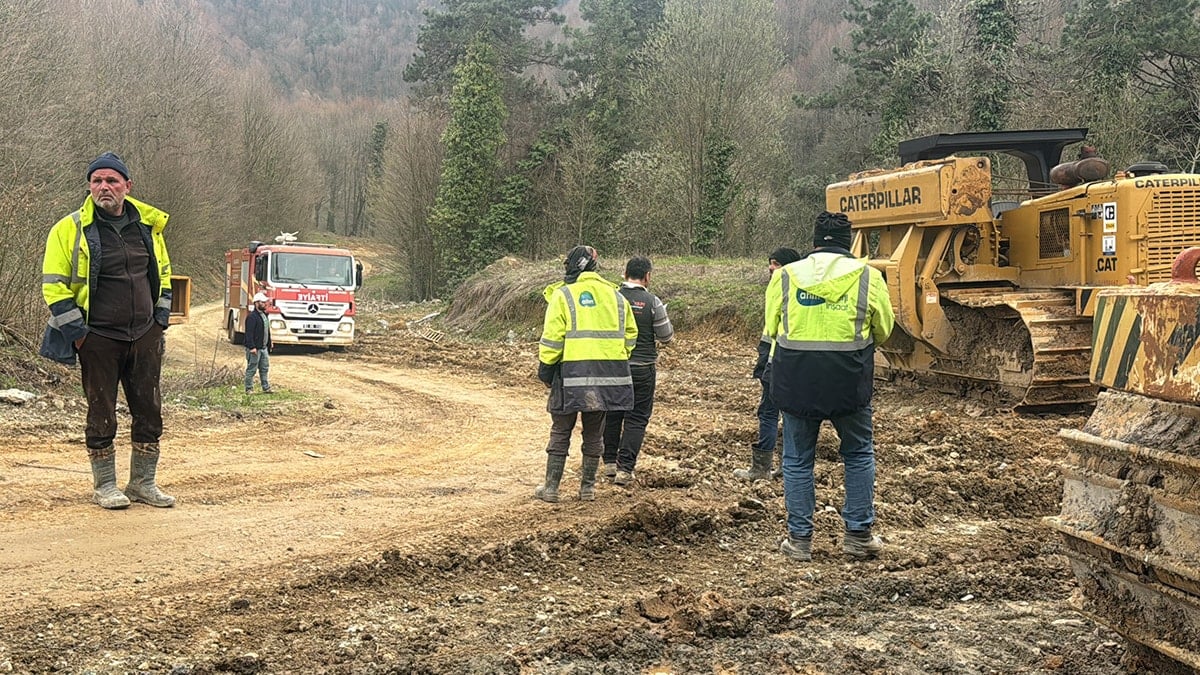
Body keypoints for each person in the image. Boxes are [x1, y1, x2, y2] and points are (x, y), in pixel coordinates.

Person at [40, 152, 176, 510]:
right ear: (89, 186)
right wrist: (81, 335)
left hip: (144, 335)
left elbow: (163, 275)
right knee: (101, 412)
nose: (104, 187)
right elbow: (54, 287)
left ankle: (143, 483)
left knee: (149, 410)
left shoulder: (148, 227)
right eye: (97, 180)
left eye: (112, 181)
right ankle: (105, 486)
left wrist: (159, 322)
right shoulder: (68, 229)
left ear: (127, 186)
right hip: (98, 337)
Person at [763, 212, 894, 561]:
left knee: (797, 459)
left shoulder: (786, 275)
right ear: (849, 242)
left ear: (814, 241)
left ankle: (800, 541)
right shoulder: (869, 275)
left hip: (796, 380)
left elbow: (772, 326)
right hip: (847, 381)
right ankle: (858, 535)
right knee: (858, 453)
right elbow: (884, 329)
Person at [534, 245, 637, 503]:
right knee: (594, 433)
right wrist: (615, 357)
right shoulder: (617, 297)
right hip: (606, 377)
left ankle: (551, 489)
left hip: (570, 374)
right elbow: (630, 336)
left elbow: (552, 340)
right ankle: (587, 489)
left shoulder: (563, 295)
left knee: (561, 430)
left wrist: (546, 368)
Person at [602, 256, 674, 486]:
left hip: (614, 366)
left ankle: (609, 464)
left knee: (612, 414)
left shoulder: (610, 298)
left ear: (624, 273)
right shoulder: (652, 302)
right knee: (637, 417)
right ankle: (625, 469)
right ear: (647, 276)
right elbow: (666, 337)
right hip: (643, 368)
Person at [734, 246, 801, 481]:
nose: (772, 268)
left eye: (776, 263)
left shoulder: (779, 286)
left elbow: (771, 328)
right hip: (801, 361)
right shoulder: (808, 287)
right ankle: (788, 466)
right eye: (770, 262)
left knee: (769, 412)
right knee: (793, 414)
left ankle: (760, 469)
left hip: (777, 359)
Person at [244, 291, 273, 394]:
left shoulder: (264, 316)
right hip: (255, 349)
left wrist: (269, 343)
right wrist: (252, 347)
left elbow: (266, 331)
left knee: (264, 368)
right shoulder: (252, 317)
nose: (265, 304)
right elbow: (249, 334)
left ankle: (266, 387)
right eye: (262, 302)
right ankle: (249, 388)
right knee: (252, 368)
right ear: (256, 303)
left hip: (263, 348)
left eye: (265, 302)